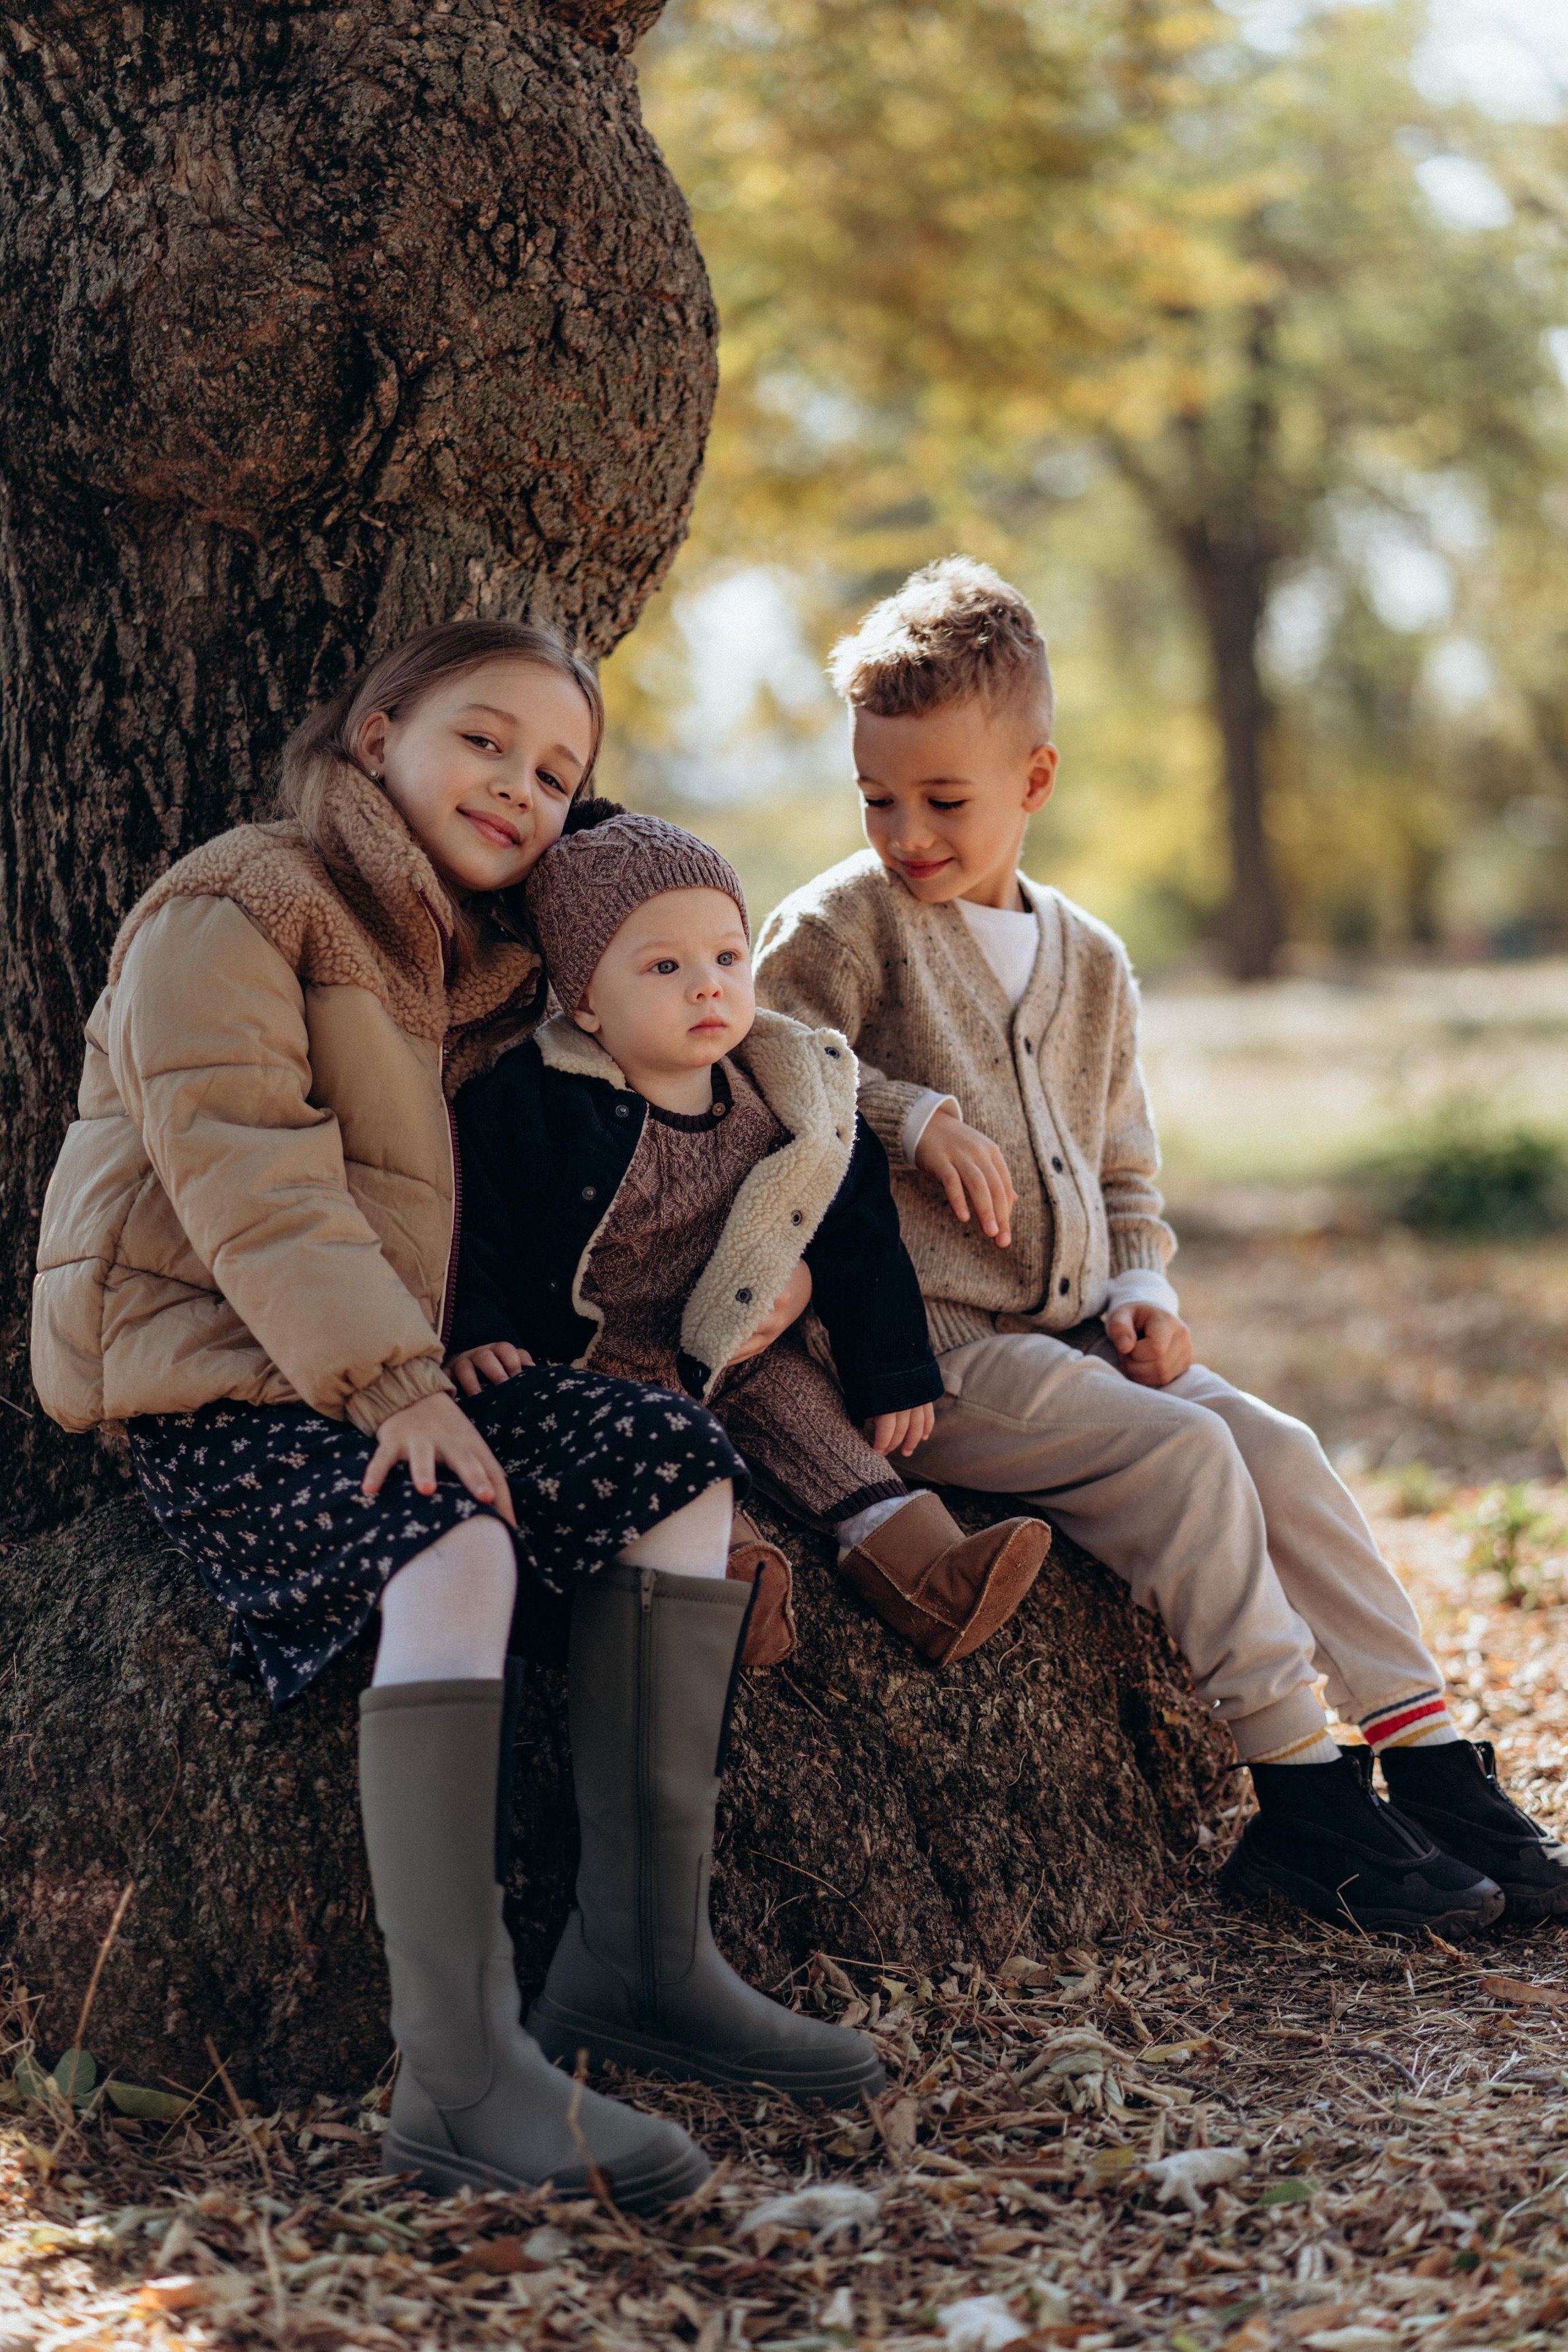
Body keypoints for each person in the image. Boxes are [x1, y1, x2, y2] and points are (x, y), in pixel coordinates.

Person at [31, 619, 874, 2216]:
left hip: (394, 1370)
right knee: (454, 1537)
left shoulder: (485, 966)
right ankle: (459, 2073)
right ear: (378, 737)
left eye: (555, 773)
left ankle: (640, 1958)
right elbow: (249, 1175)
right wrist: (395, 1385)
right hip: (215, 1374)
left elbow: (683, 1048)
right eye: (483, 739)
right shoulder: (240, 902)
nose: (517, 786)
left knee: (672, 1463)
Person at [753, 554, 1568, 1939]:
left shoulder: (1090, 958)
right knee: (1186, 1458)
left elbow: (1123, 1162)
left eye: (944, 799)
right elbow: (765, 1061)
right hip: (935, 1359)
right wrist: (906, 1114)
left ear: (1035, 780)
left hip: (1075, 1338)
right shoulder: (843, 923)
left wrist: (1140, 1282)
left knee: (1277, 1450)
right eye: (876, 798)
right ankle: (1301, 1796)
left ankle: (1428, 1760)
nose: (906, 832)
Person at [448, 804, 1050, 1710]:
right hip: (602, 1368)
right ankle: (726, 1593)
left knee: (824, 1438)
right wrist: (477, 1325)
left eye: (728, 958)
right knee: (669, 1480)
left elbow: (855, 1227)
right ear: (585, 1001)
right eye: (666, 968)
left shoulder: (784, 1092)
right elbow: (472, 1217)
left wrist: (890, 1368)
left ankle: (931, 1576)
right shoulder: (533, 1099)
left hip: (744, 1349)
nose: (709, 988)